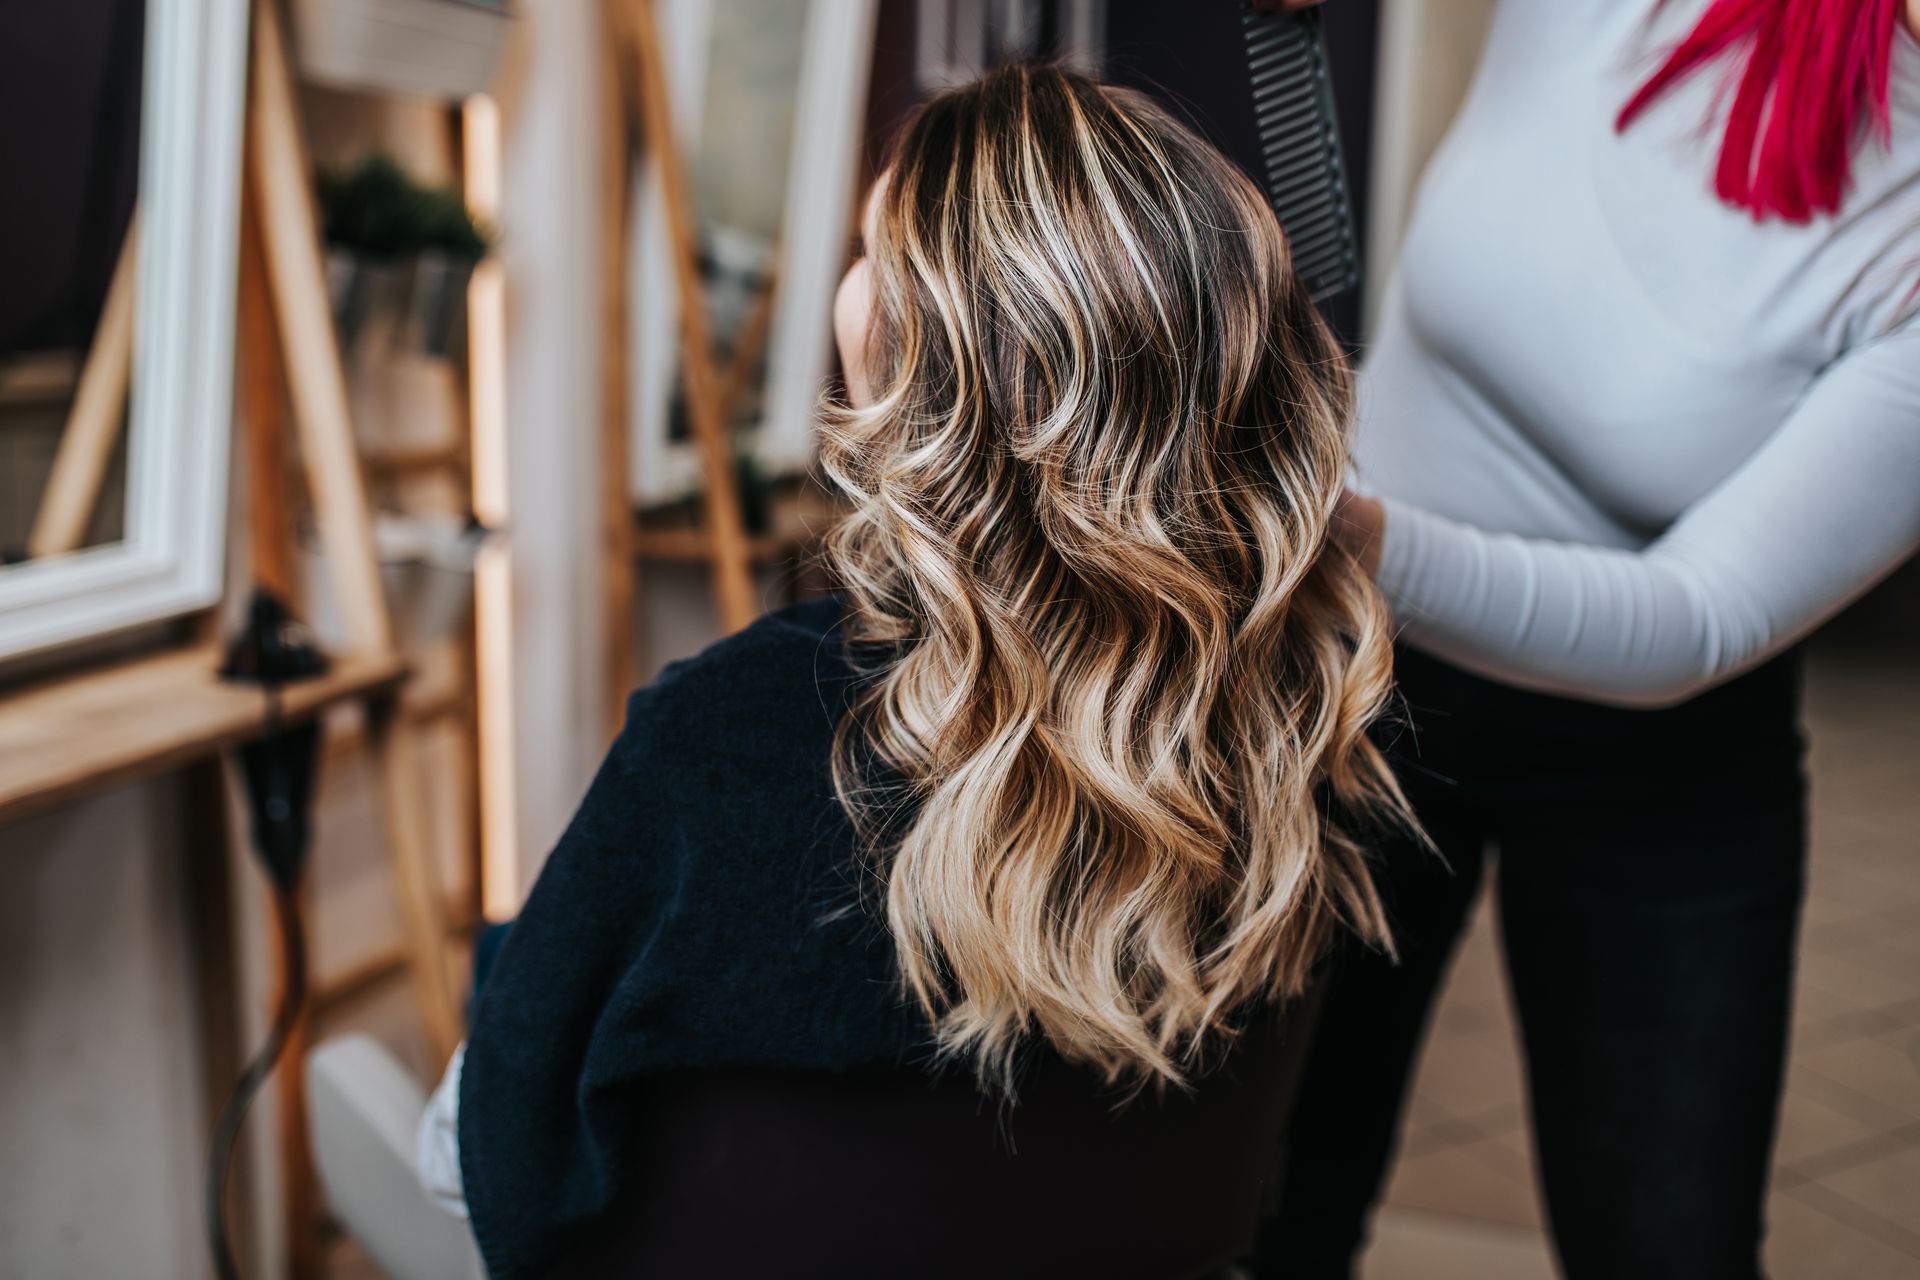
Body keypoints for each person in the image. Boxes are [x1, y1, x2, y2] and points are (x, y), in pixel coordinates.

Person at [423, 64, 1413, 1280]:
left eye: (865, 252)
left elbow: (500, 1177)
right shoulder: (1305, 717)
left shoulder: (730, 739)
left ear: (916, 351)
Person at [1261, 2, 1920, 1277]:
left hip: (1661, 759)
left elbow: (1695, 618)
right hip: (1355, 693)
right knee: (1268, 1202)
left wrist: (1334, 532)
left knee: (1668, 1246)